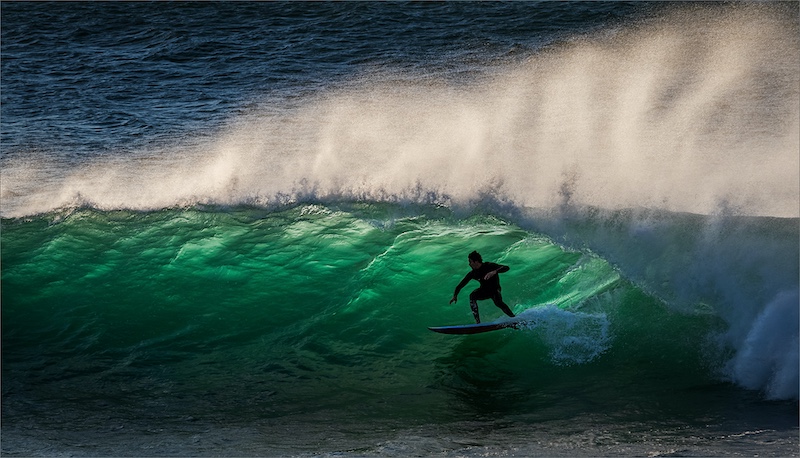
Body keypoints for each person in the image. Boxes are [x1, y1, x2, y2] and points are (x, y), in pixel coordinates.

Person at [449, 251, 515, 324]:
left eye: (470, 262)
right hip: (484, 291)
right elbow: (460, 285)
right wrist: (455, 295)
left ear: (476, 262)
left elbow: (506, 267)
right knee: (472, 296)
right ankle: (478, 322)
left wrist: (495, 271)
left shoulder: (489, 266)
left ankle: (513, 318)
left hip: (495, 290)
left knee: (498, 303)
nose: (469, 264)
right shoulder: (473, 273)